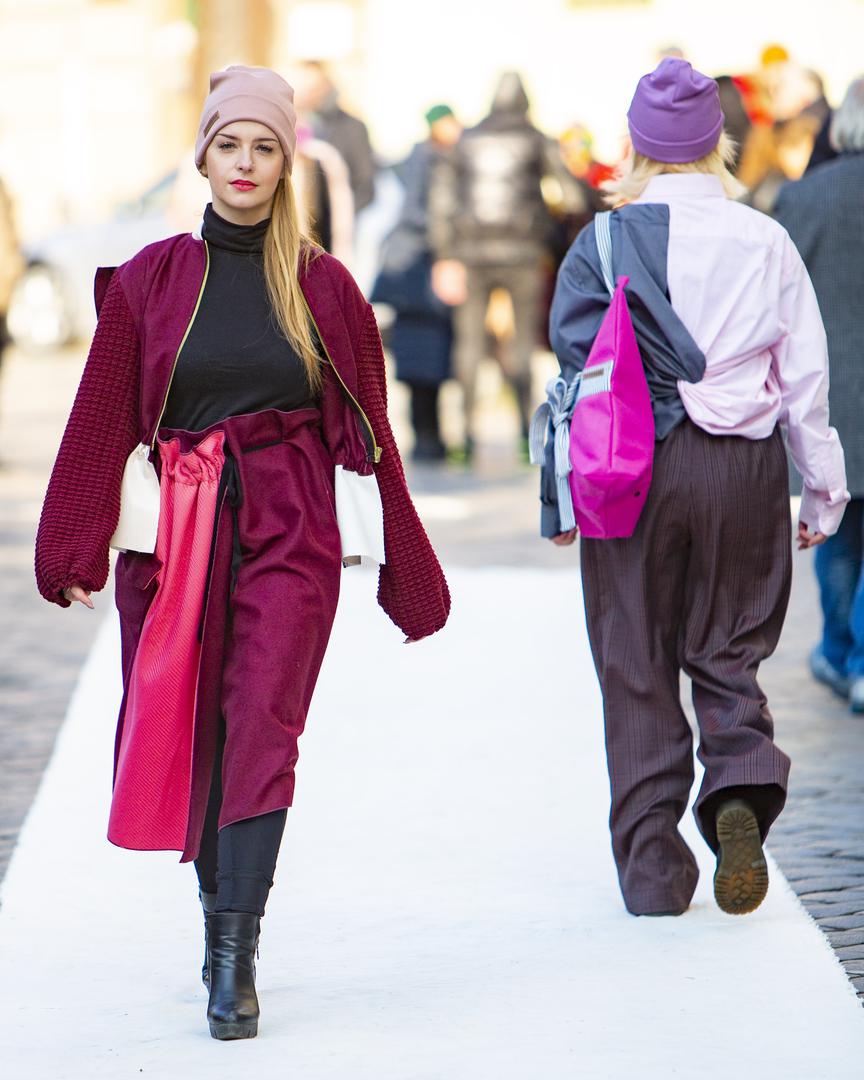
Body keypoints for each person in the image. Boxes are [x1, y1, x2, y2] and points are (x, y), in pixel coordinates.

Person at [34, 65, 450, 1041]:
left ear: (286, 161)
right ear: (205, 156)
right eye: (231, 145)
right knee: (200, 728)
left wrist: (405, 566)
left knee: (263, 723)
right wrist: (70, 548)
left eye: (265, 147)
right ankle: (217, 924)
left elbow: (371, 431)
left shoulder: (322, 286)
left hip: (291, 527)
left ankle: (235, 956)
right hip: (175, 536)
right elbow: (102, 418)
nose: (247, 163)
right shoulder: (150, 280)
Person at [543, 58, 848, 918]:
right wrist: (823, 491)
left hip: (632, 465)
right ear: (718, 141)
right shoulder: (765, 238)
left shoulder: (603, 243)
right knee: (730, 644)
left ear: (636, 144)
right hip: (742, 467)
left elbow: (577, 377)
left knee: (634, 656)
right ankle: (740, 783)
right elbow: (806, 376)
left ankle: (653, 871)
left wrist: (563, 494)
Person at [428, 71, 586, 460]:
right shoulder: (536, 139)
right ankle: (523, 434)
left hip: (471, 253)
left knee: (469, 343)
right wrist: (548, 224)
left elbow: (442, 200)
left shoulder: (466, 140)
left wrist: (444, 254)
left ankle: (465, 437)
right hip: (523, 253)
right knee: (521, 343)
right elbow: (571, 196)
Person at [775, 77, 864, 713]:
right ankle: (854, 660)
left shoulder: (804, 196)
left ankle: (841, 651)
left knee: (836, 527)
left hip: (834, 391)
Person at [370, 104, 462, 461]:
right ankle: (428, 438)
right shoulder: (431, 160)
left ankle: (428, 437)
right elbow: (421, 212)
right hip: (419, 266)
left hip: (406, 266)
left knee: (419, 351)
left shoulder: (415, 159)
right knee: (426, 349)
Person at [293, 59, 377, 215]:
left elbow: (365, 186)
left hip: (336, 220)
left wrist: (340, 218)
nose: (307, 95)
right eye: (302, 89)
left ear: (327, 87)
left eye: (313, 89)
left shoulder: (352, 128)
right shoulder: (291, 126)